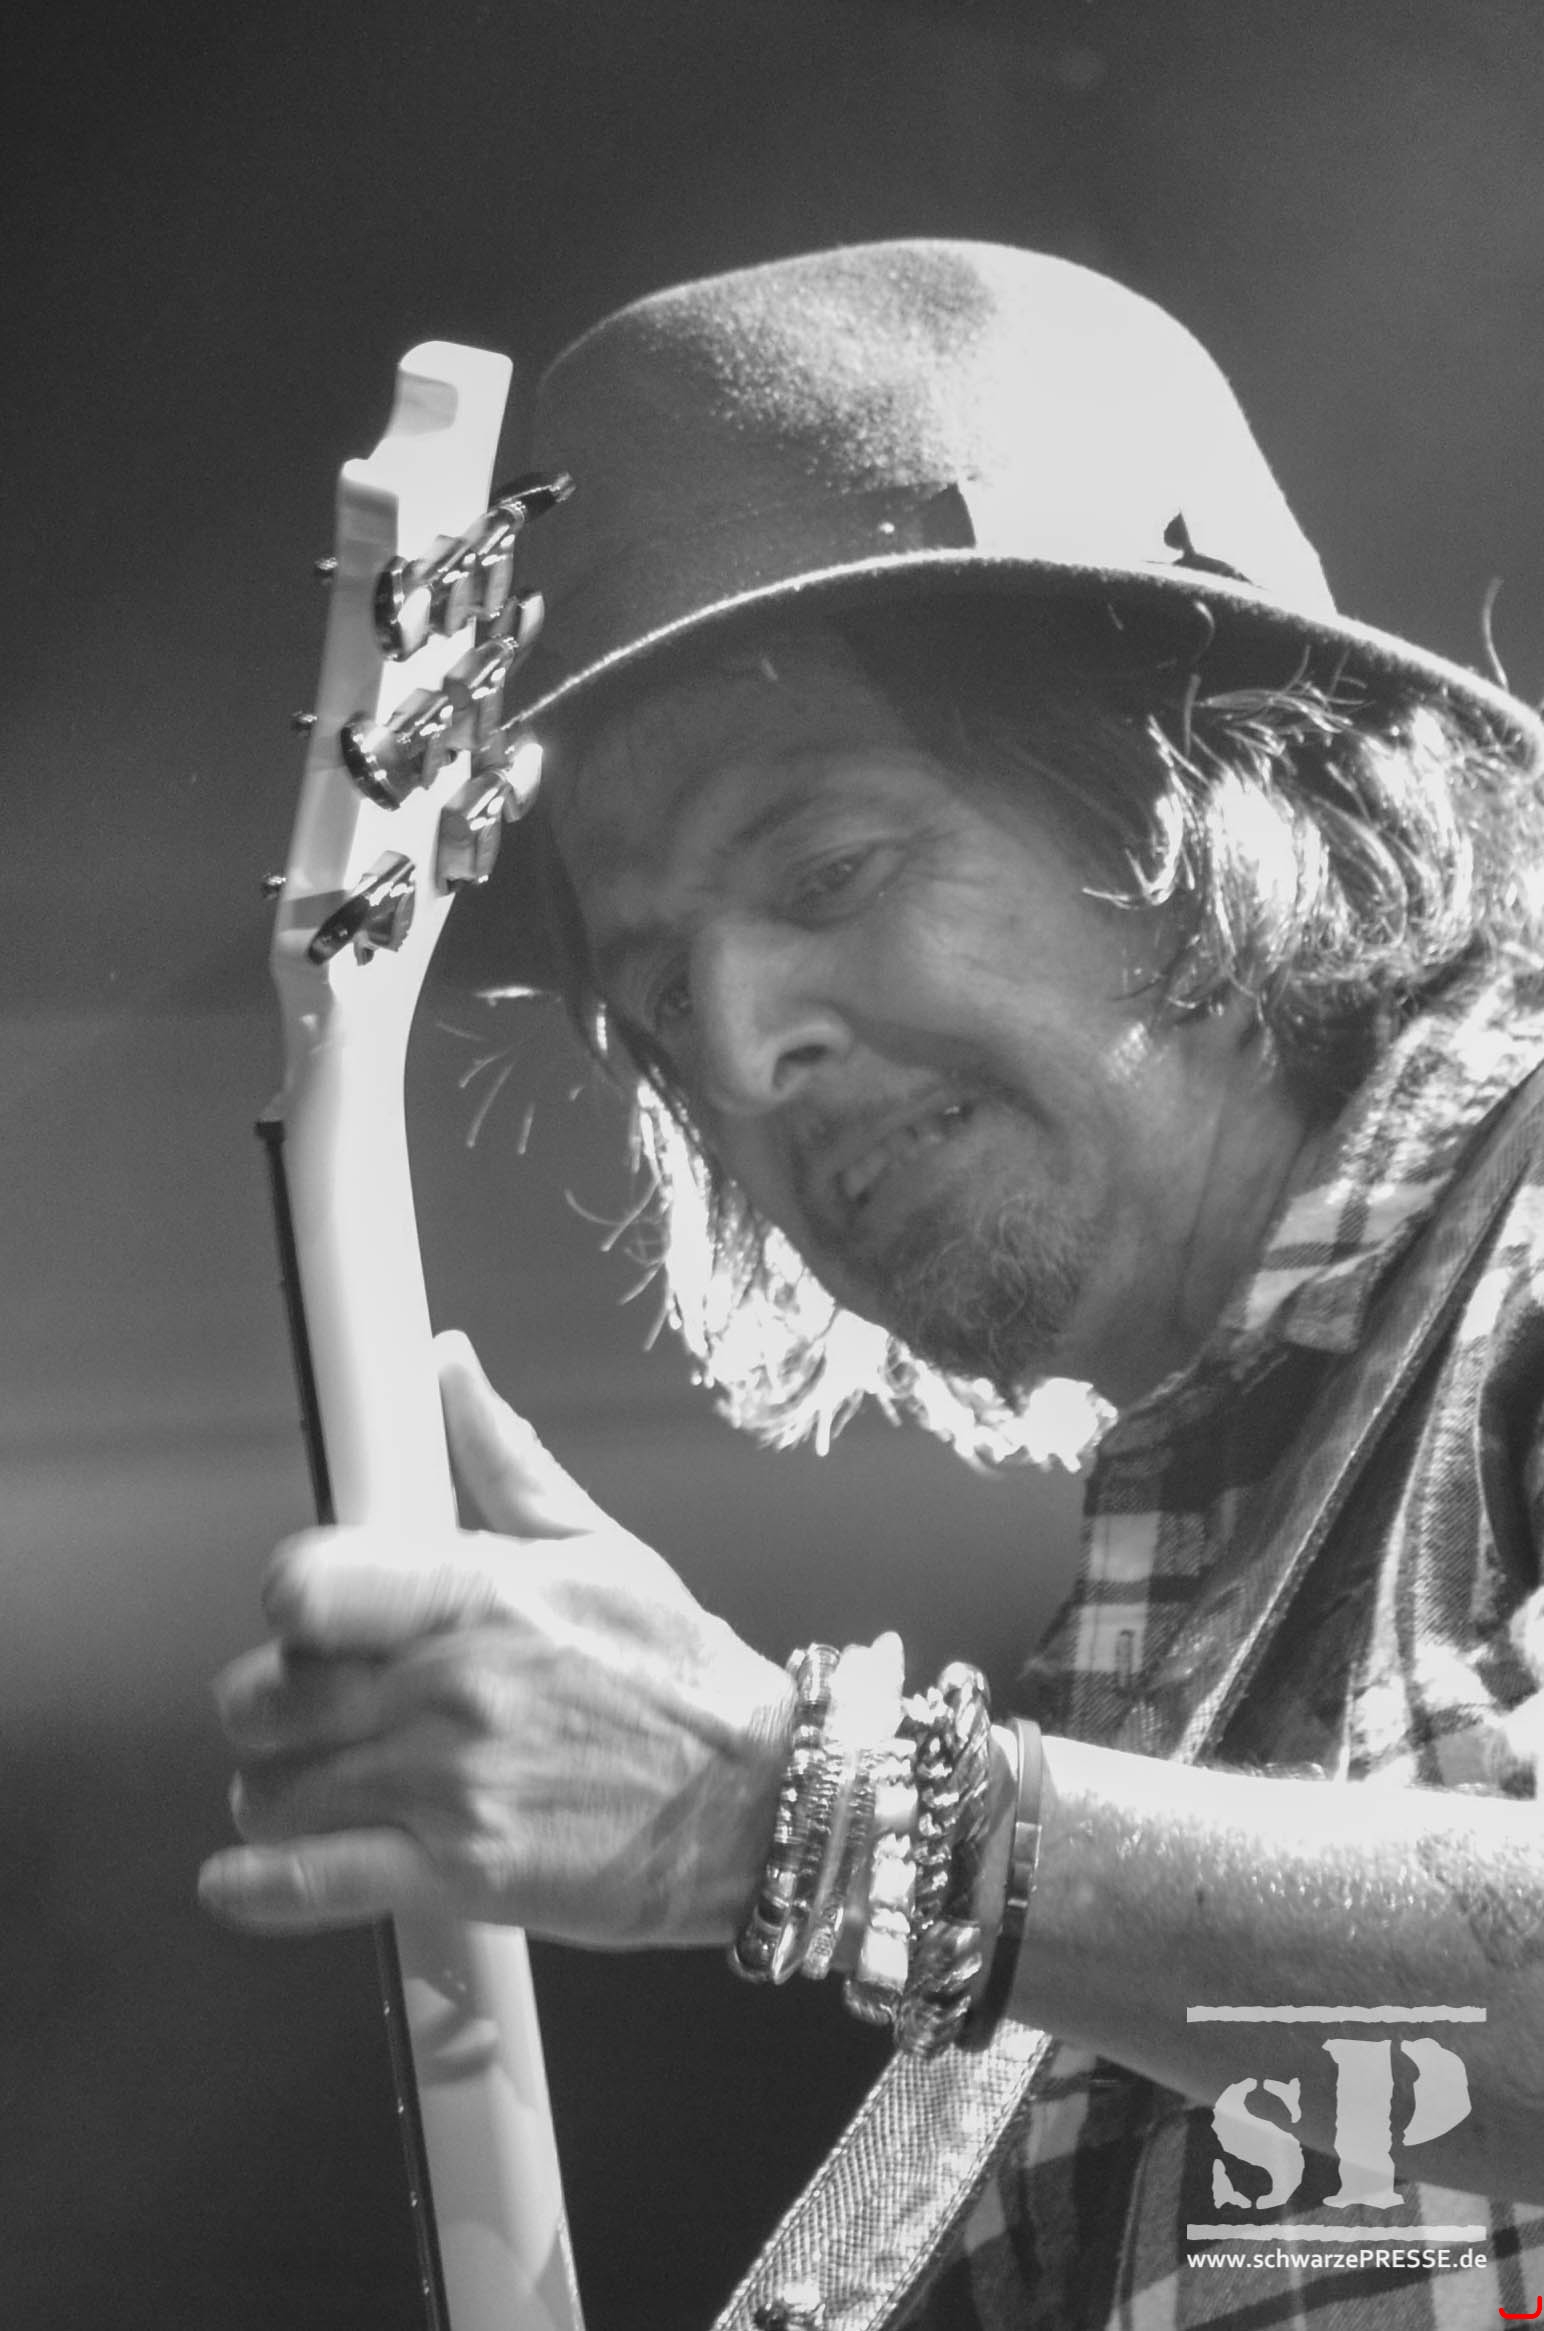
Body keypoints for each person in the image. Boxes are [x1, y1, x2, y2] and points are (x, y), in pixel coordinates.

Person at [200, 243, 1544, 2326]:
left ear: (1210, 772)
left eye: (829, 870)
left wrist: (806, 1807)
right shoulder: (1160, 1686)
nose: (742, 1053)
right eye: (660, 991)